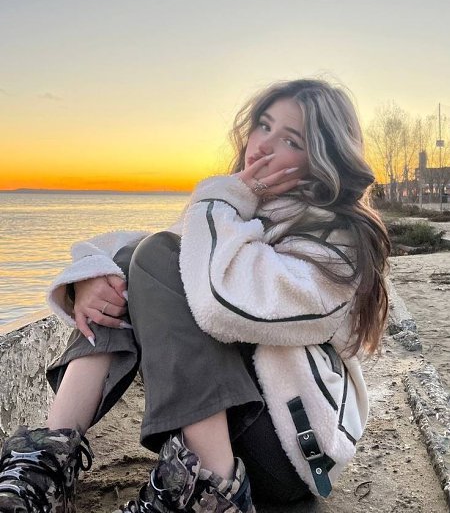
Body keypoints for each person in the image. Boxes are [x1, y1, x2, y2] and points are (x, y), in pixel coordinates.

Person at [0, 78, 390, 513]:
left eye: (290, 140)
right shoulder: (246, 212)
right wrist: (90, 280)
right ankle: (45, 465)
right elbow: (147, 254)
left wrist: (219, 201)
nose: (263, 146)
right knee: (129, 262)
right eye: (263, 126)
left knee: (160, 255)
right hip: (240, 424)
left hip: (286, 452)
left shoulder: (338, 241)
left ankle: (214, 491)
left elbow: (220, 305)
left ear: (324, 159)